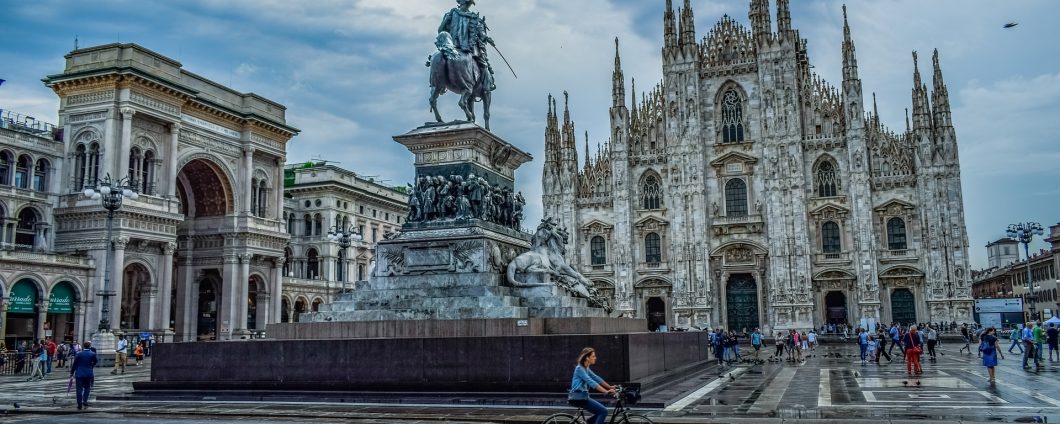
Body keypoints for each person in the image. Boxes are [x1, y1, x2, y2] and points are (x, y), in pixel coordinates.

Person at [568, 347, 615, 424]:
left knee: (600, 412)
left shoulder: (586, 368)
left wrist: (610, 387)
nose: (595, 358)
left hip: (583, 397)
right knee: (603, 411)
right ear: (587, 357)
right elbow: (591, 382)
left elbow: (596, 378)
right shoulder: (579, 368)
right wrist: (606, 391)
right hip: (578, 397)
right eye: (593, 356)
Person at [70, 341, 98, 410]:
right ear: (90, 346)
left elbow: (75, 364)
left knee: (79, 389)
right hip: (88, 373)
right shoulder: (93, 354)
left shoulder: (79, 354)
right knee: (87, 388)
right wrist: (91, 366)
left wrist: (72, 372)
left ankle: (79, 403)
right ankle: (85, 400)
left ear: (83, 346)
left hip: (79, 373)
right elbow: (95, 361)